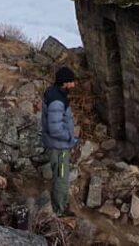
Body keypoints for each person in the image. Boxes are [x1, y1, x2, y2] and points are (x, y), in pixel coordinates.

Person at [40, 66, 79, 216]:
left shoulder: (54, 92)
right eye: (71, 82)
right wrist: (70, 137)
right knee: (62, 177)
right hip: (59, 148)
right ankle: (60, 210)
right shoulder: (57, 100)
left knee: (59, 175)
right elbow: (55, 129)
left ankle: (59, 204)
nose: (73, 85)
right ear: (65, 83)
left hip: (56, 145)